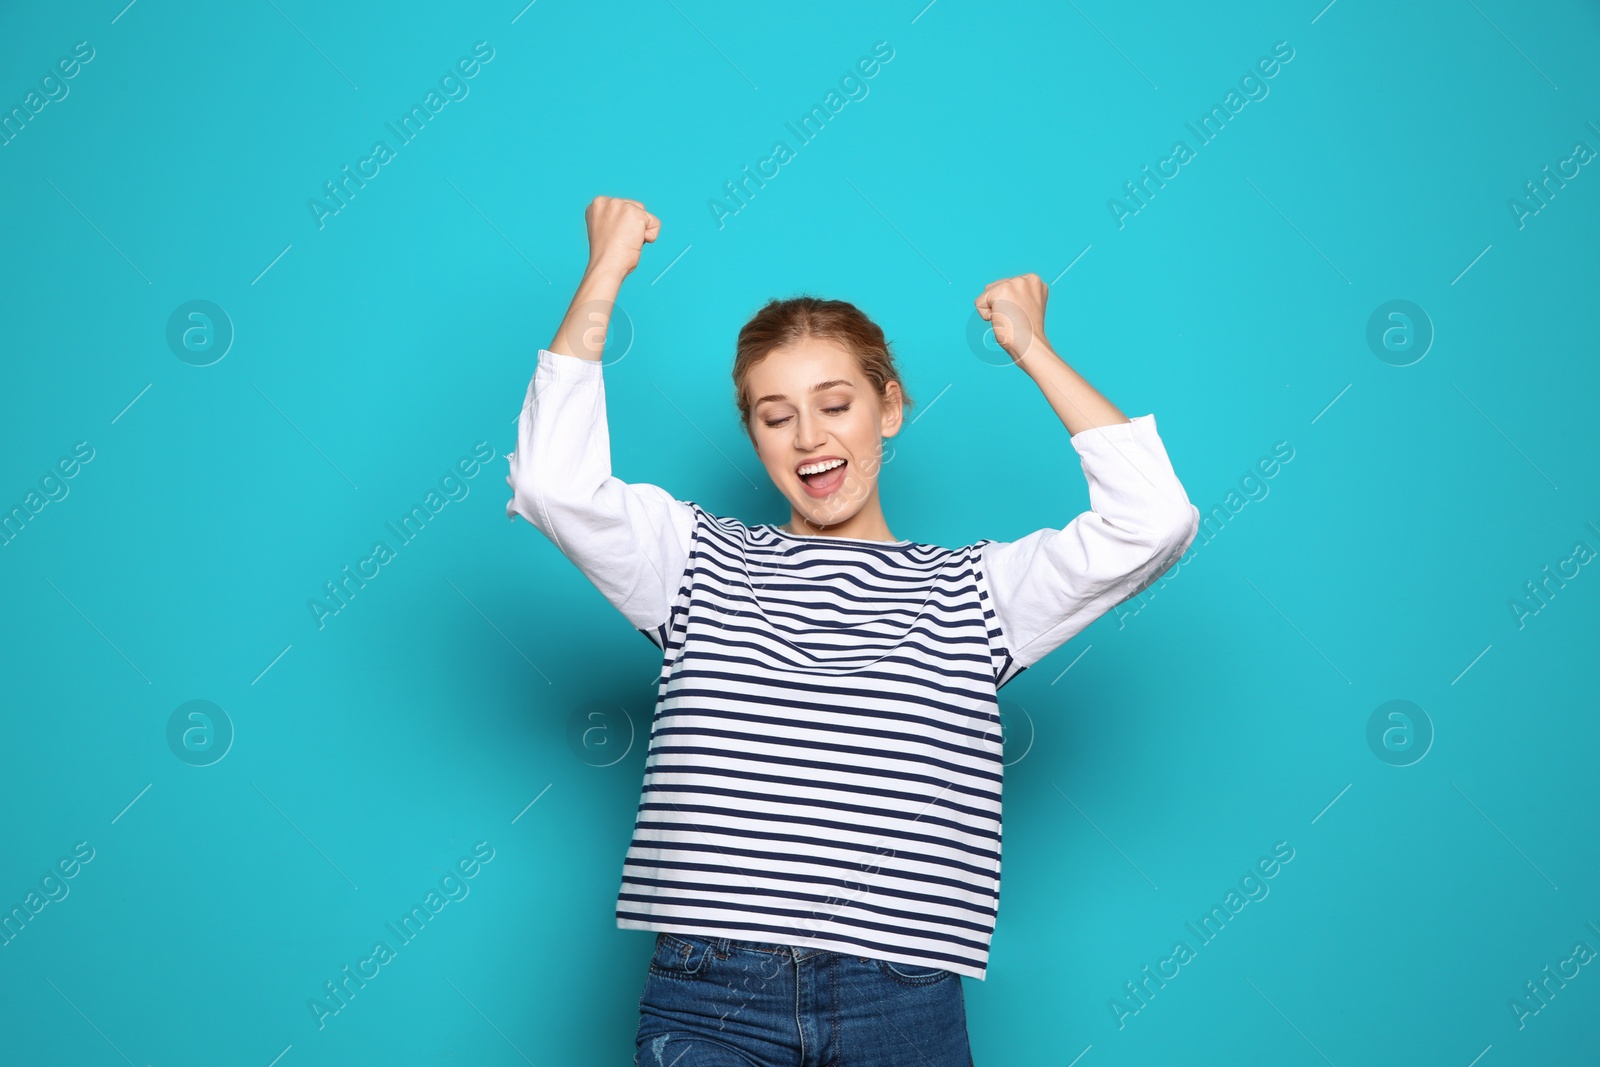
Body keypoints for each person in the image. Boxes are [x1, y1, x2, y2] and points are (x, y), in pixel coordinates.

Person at [505, 196, 1201, 1066]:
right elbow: (551, 484)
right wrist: (604, 273)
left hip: (902, 997)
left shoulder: (977, 590)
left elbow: (1156, 521)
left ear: (891, 407)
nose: (809, 437)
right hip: (712, 992)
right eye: (775, 414)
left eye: (835, 404)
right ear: (754, 435)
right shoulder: (692, 560)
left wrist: (1030, 347)